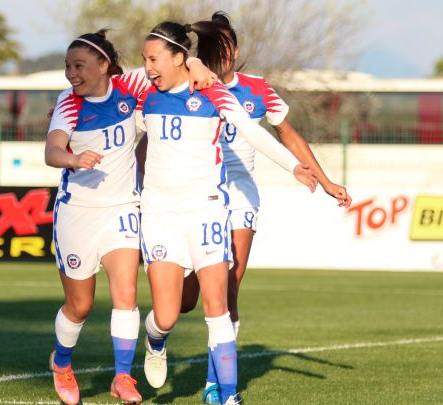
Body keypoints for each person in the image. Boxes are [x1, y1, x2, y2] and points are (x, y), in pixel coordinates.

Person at [169, 13, 353, 404]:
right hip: (194, 197)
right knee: (183, 302)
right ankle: (163, 330)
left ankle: (216, 384)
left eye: (227, 44)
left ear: (234, 49)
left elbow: (289, 134)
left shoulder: (257, 90)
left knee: (228, 290)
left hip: (239, 200)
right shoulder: (186, 86)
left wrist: (325, 180)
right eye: (214, 46)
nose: (223, 52)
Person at [137, 21, 317, 405]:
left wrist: (294, 167)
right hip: (161, 216)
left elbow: (254, 133)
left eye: (154, 59)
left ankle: (228, 396)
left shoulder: (214, 93)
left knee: (218, 306)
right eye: (144, 60)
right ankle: (155, 340)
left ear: (177, 58)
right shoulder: (142, 92)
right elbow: (103, 93)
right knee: (167, 315)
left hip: (207, 211)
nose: (148, 66)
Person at [44, 30, 216, 405]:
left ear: (104, 65)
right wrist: (73, 158)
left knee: (126, 296)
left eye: (79, 66)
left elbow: (173, 63)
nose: (72, 74)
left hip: (123, 209)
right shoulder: (68, 104)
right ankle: (61, 363)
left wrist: (198, 62)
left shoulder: (130, 85)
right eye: (68, 67)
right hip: (77, 214)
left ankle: (122, 377)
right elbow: (53, 151)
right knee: (81, 306)